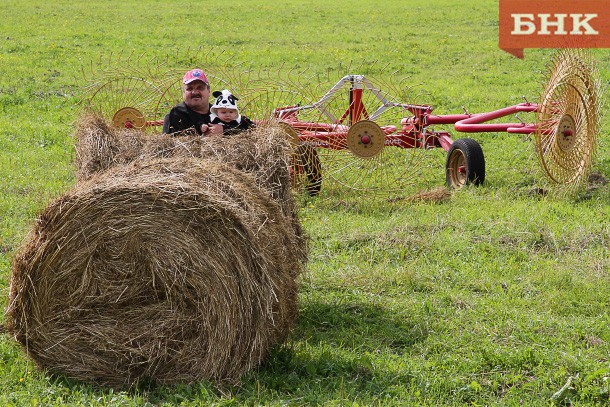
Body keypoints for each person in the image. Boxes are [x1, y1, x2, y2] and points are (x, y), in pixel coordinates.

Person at [162, 68, 224, 136]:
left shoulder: (220, 112)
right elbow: (169, 144)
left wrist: (224, 130)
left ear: (209, 92)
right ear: (183, 93)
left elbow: (236, 128)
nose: (195, 92)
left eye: (200, 88)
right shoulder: (175, 115)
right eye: (190, 89)